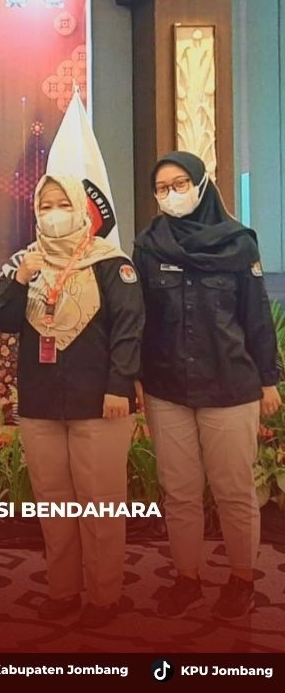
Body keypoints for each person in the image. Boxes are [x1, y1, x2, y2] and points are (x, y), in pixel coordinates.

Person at [0, 173, 144, 629]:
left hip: (100, 402)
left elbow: (129, 328)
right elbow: (3, 319)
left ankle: (104, 595)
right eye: (45, 205)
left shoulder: (111, 262)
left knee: (100, 502)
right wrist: (20, 279)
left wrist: (120, 386)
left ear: (81, 209)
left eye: (63, 204)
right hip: (41, 403)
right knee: (53, 502)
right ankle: (63, 590)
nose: (54, 213)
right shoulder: (26, 261)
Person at [133, 151, 282, 620]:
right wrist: (136, 377)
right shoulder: (148, 245)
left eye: (180, 184)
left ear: (201, 185)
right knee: (178, 491)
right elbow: (140, 320)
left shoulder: (239, 243)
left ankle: (242, 579)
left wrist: (269, 379)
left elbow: (256, 316)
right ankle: (187, 579)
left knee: (233, 489)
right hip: (167, 388)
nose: (170, 194)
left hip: (230, 386)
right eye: (162, 188)